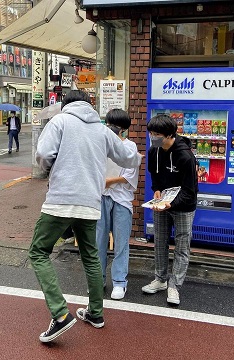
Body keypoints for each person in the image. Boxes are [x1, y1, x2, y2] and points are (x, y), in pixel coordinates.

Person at [29, 90, 142, 343]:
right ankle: (96, 313)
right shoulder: (102, 130)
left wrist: (51, 171)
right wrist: (139, 155)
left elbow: (44, 154)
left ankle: (60, 314)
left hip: (61, 200)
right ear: (90, 106)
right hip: (91, 203)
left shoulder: (60, 121)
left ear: (66, 105)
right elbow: (128, 158)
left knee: (38, 252)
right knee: (91, 256)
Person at [141, 114, 198, 305]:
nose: (153, 137)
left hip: (183, 205)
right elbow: (154, 175)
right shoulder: (153, 151)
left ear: (170, 135)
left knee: (182, 246)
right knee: (160, 241)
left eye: (157, 134)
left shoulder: (185, 156)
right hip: (163, 202)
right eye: (151, 133)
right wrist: (156, 191)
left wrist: (170, 204)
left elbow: (190, 191)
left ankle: (174, 285)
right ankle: (160, 279)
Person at [96, 109, 139, 300]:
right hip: (101, 197)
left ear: (122, 128)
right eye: (108, 123)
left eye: (114, 125)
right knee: (99, 241)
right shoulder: (100, 144)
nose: (110, 127)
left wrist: (109, 181)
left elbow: (129, 175)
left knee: (121, 243)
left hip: (121, 199)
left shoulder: (130, 147)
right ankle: (98, 280)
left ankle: (120, 282)